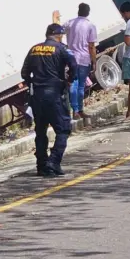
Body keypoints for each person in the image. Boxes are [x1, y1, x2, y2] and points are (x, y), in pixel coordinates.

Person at [21, 23, 77, 177]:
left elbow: (24, 72)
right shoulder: (62, 48)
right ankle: (53, 162)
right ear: (58, 35)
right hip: (54, 95)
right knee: (63, 129)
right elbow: (74, 65)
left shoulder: (34, 49)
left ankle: (41, 165)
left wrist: (32, 83)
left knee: (40, 131)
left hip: (37, 96)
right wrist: (70, 79)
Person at [64, 3, 97, 121]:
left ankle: (75, 111)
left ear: (78, 11)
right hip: (84, 59)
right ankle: (80, 110)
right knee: (81, 86)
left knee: (73, 84)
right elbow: (91, 46)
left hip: (71, 58)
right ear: (88, 12)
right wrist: (94, 61)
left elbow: (59, 31)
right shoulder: (90, 26)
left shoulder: (70, 23)